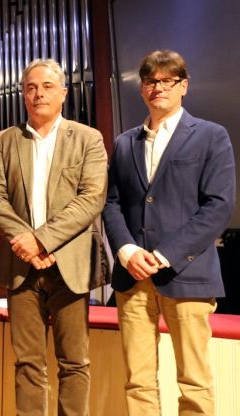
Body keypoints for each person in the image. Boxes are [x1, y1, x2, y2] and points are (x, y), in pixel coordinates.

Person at [102, 50, 235, 415]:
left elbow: (218, 206)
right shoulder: (124, 142)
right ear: (142, 89)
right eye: (150, 81)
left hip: (186, 274)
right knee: (138, 381)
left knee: (194, 382)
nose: (157, 87)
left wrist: (163, 256)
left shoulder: (211, 136)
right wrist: (127, 251)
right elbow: (111, 203)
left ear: (183, 86)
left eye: (167, 80)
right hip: (133, 277)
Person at [0, 58, 108, 415]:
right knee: (27, 363)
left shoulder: (87, 138)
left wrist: (41, 241)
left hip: (68, 263)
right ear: (23, 94)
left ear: (64, 94)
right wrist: (26, 243)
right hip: (20, 265)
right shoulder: (7, 140)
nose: (38, 94)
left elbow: (91, 198)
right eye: (30, 87)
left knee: (74, 361)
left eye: (47, 87)